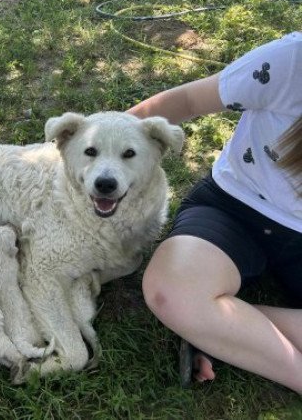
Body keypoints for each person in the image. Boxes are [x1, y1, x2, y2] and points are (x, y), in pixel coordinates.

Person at [127, 31, 302, 392]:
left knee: (193, 307)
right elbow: (189, 100)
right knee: (171, 290)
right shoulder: (292, 60)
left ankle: (225, 329)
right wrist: (94, 139)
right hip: (235, 205)